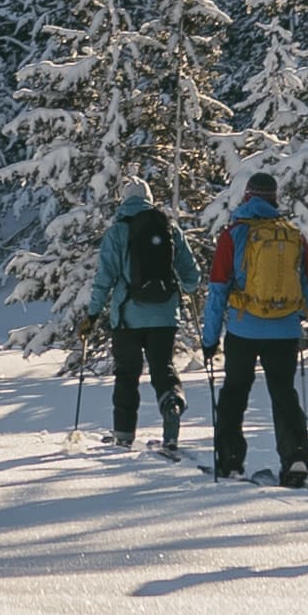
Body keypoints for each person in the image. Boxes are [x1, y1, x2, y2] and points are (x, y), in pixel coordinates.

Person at [203, 169, 308, 486]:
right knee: (284, 394)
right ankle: (295, 458)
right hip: (285, 332)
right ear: (274, 200)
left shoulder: (233, 234)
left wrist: (209, 338)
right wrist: (296, 313)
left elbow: (217, 291)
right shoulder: (293, 234)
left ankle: (229, 460)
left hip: (244, 329)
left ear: (247, 198)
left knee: (235, 393)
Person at [85, 187, 194, 451]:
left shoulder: (117, 232)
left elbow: (104, 279)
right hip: (165, 317)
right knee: (162, 368)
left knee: (126, 375)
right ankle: (171, 407)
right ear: (150, 199)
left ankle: (123, 434)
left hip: (127, 318)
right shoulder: (169, 229)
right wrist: (186, 288)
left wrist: (92, 313)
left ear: (123, 201)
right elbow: (192, 276)